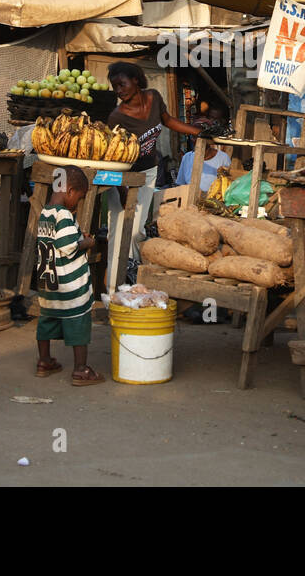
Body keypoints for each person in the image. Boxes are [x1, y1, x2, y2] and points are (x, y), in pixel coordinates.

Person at [106, 62, 201, 282]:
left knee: (137, 229)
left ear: (136, 80)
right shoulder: (116, 117)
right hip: (123, 176)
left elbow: (167, 121)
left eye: (122, 84)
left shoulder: (153, 97)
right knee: (119, 231)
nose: (119, 91)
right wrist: (121, 189)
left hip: (148, 172)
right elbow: (110, 156)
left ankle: (134, 276)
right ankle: (114, 285)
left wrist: (197, 132)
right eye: (115, 87)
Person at [34, 165, 105, 386]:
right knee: (77, 322)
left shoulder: (46, 212)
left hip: (49, 281)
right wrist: (89, 242)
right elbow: (68, 246)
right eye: (80, 197)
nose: (78, 202)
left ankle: (44, 361)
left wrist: (76, 236)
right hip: (69, 284)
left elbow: (56, 241)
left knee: (47, 321)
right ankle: (81, 369)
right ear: (70, 190)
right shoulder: (64, 214)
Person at [175, 106, 231, 192]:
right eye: (194, 136)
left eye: (201, 136)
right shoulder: (187, 158)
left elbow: (228, 186)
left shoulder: (223, 158)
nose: (198, 140)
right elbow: (180, 185)